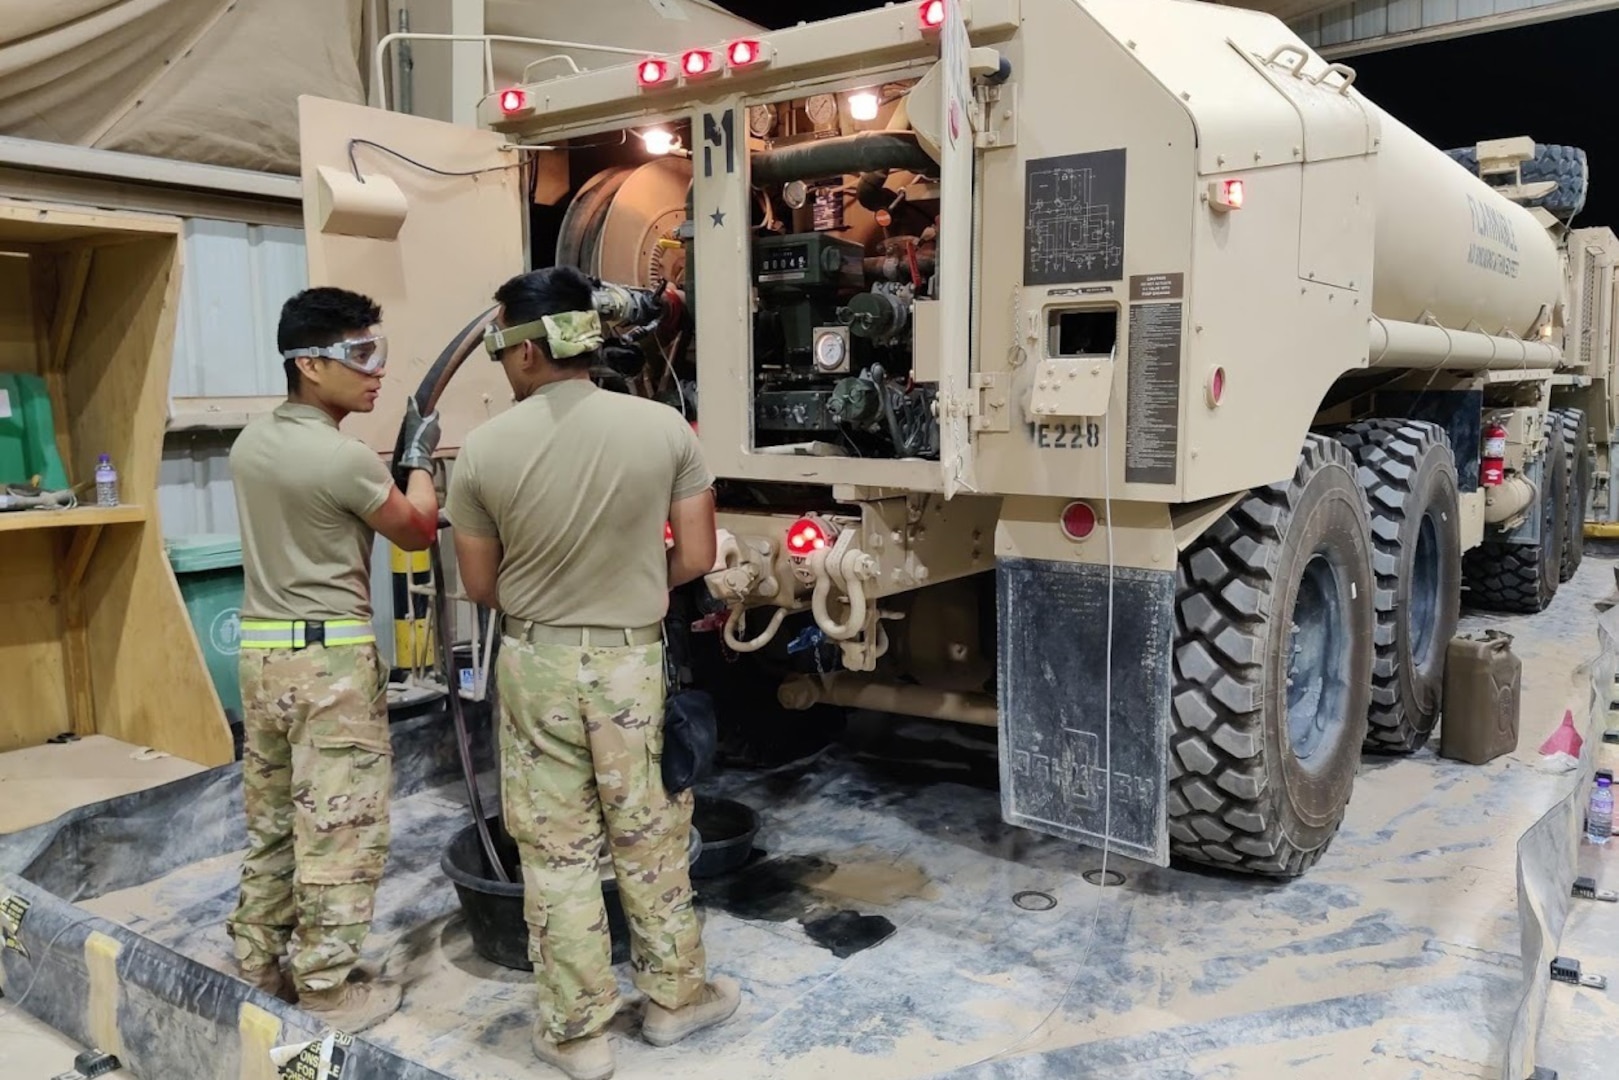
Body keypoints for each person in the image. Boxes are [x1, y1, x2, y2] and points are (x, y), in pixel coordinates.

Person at [446, 266, 737, 1080]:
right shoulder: (664, 431)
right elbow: (700, 556)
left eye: (503, 347)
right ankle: (676, 1003)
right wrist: (629, 585)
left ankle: (577, 1037)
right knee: (649, 838)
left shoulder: (482, 452)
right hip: (630, 662)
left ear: (530, 352)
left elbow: (480, 586)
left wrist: (554, 592)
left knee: (557, 852)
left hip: (535, 663)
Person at [225, 286, 442, 1032]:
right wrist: (418, 460)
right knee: (340, 828)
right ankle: (325, 988)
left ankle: (258, 959)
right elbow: (416, 531)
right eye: (360, 355)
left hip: (261, 660)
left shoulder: (252, 441)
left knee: (276, 821)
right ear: (310, 366)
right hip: (329, 668)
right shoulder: (341, 455)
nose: (375, 371)